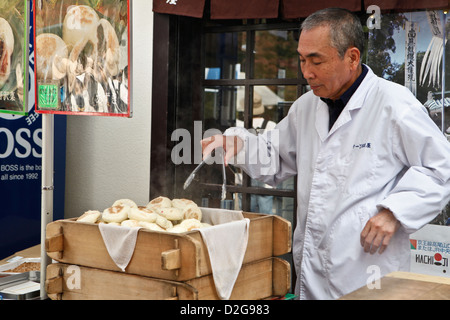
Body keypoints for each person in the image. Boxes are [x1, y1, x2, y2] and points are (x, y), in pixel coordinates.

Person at [201, 8, 450, 299]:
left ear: (352, 58)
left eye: (316, 60)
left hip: (368, 270)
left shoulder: (394, 104)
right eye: (302, 59)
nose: (306, 71)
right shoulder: (306, 106)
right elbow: (277, 157)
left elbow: (441, 168)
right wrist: (241, 146)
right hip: (312, 271)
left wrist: (394, 212)